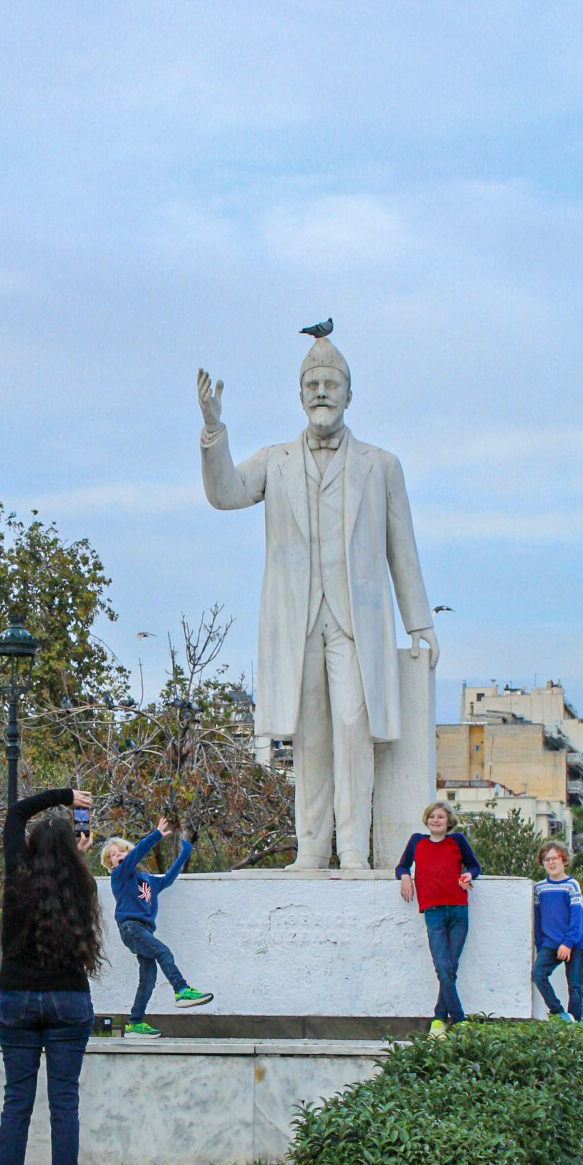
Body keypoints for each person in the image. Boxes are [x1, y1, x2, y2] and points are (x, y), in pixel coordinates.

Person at [198, 337, 438, 868]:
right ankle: (311, 847)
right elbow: (226, 493)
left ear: (350, 394)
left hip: (357, 621)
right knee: (309, 735)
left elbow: (403, 549)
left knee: (353, 725)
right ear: (299, 395)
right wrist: (214, 432)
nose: (321, 392)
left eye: (331, 385)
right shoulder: (275, 461)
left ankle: (351, 847)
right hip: (296, 619)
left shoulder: (382, 465)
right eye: (312, 385)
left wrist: (419, 622)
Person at [0, 786, 103, 1165]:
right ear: (73, 853)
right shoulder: (82, 884)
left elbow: (18, 812)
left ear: (32, 848)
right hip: (69, 1002)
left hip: (17, 1000)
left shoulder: (16, 876)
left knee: (16, 1101)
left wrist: (65, 796)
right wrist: (79, 854)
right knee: (65, 1102)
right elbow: (69, 870)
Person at [102, 818, 212, 1038]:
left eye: (121, 851)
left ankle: (135, 1023)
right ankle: (181, 989)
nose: (118, 855)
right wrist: (155, 835)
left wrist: (184, 853)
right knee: (163, 952)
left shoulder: (147, 880)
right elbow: (136, 856)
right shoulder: (119, 876)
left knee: (148, 977)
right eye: (113, 855)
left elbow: (169, 878)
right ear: (112, 864)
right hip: (131, 928)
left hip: (143, 931)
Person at [396, 804, 482, 1035]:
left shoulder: (458, 841)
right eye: (432, 816)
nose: (436, 820)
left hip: (458, 910)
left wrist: (468, 874)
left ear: (448, 821)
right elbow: (401, 865)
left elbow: (474, 865)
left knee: (450, 967)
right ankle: (459, 1019)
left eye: (441, 817)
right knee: (443, 966)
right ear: (427, 820)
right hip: (433, 911)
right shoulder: (417, 841)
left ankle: (439, 1019)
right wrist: (405, 876)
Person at [533, 841, 583, 1022]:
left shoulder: (572, 885)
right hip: (550, 943)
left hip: (573, 943)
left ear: (563, 860)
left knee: (575, 987)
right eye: (546, 859)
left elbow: (577, 916)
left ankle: (576, 1024)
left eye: (554, 858)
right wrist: (540, 945)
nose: (551, 862)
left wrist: (568, 943)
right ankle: (559, 1013)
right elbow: (538, 918)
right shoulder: (539, 888)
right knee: (538, 974)